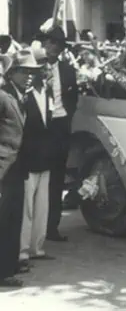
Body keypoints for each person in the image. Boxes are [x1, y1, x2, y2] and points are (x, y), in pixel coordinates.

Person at [4, 47, 52, 267]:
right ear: (12, 72)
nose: (30, 76)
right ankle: (16, 257)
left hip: (35, 160)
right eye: (24, 71)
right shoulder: (9, 95)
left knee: (28, 211)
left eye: (33, 71)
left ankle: (25, 254)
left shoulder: (40, 93)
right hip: (15, 163)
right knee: (17, 214)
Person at [37, 24, 78, 242]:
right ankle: (34, 228)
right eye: (49, 42)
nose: (52, 47)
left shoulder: (68, 70)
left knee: (56, 178)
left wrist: (65, 117)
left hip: (60, 126)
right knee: (37, 178)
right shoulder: (35, 68)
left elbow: (73, 99)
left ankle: (52, 226)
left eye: (57, 44)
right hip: (42, 128)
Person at [0, 53, 26, 287]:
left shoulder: (12, 96)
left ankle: (8, 267)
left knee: (12, 219)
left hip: (15, 167)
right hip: (4, 167)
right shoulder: (2, 97)